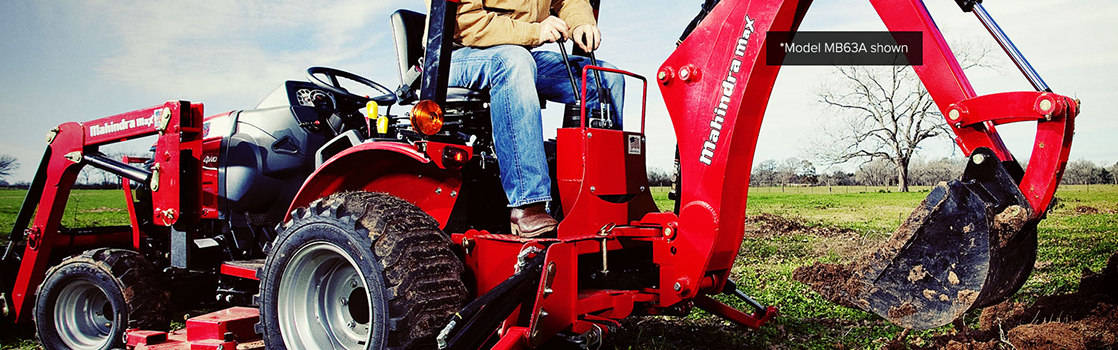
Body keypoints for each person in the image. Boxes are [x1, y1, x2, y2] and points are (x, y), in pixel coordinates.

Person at [441, 0, 625, 237]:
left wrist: (581, 22)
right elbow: (465, 23)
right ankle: (528, 203)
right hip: (456, 54)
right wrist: (535, 31)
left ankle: (599, 196)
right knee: (514, 62)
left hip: (517, 49)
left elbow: (567, 1)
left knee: (606, 79)